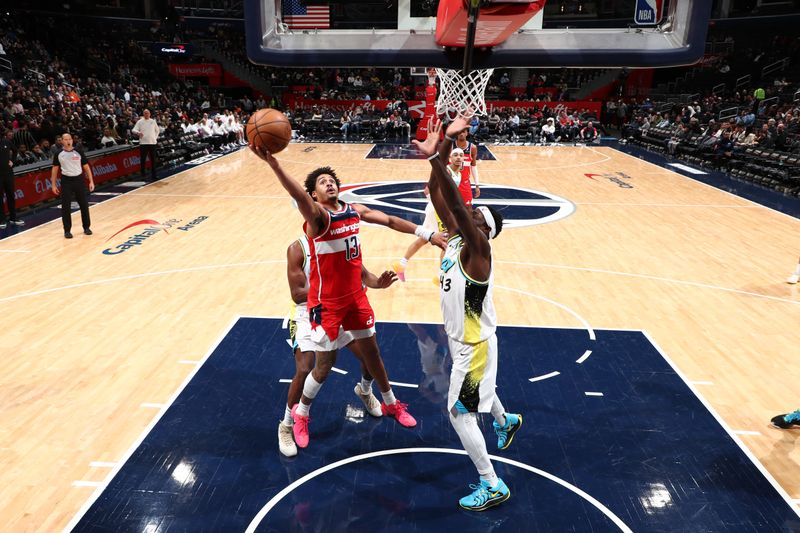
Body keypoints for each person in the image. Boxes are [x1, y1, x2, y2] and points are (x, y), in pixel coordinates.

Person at [250, 145, 448, 449]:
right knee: (322, 366)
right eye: (322, 182)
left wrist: (428, 234)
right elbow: (299, 197)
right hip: (324, 305)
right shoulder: (317, 219)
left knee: (372, 354)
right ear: (314, 196)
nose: (329, 183)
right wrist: (274, 164)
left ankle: (390, 402)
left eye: (332, 180)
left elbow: (391, 220)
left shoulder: (353, 212)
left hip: (355, 298)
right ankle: (298, 416)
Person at [413, 116, 522, 512]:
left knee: (459, 412)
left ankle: (491, 483)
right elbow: (440, 196)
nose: (469, 215)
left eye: (478, 218)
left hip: (473, 347)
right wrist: (440, 147)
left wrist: (441, 158)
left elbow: (456, 202)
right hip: (468, 344)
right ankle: (505, 420)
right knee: (476, 395)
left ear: (486, 232)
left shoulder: (479, 252)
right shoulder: (457, 240)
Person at [280, 233, 399, 457]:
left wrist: (377, 284)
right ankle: (286, 425)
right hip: (308, 313)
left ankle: (364, 391)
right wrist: (333, 292)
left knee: (368, 357)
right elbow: (297, 294)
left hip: (340, 307)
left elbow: (363, 275)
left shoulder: (340, 238)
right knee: (306, 368)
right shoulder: (297, 249)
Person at [393, 149, 465, 282]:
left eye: (461, 155)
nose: (458, 158)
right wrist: (437, 205)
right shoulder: (447, 171)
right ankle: (441, 276)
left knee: (425, 238)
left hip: (440, 210)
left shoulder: (458, 173)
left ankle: (401, 265)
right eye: (455, 155)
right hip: (438, 211)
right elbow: (427, 189)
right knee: (446, 242)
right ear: (450, 157)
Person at [51, 132, 94, 239]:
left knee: (84, 204)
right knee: (66, 207)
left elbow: (86, 167)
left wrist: (91, 181)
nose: (68, 141)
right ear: (62, 141)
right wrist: (53, 185)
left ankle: (86, 227)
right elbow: (55, 170)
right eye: (66, 139)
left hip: (79, 179)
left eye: (70, 139)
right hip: (66, 181)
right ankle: (67, 230)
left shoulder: (78, 151)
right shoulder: (58, 154)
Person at [0, 128, 23, 229]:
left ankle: (13, 218)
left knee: (11, 196)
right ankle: (1, 219)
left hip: (8, 173)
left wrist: (12, 161)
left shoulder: (6, 141)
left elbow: (15, 151)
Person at [132, 109, 160, 181]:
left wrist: (155, 138)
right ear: (143, 114)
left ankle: (154, 175)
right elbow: (133, 130)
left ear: (150, 114)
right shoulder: (140, 121)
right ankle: (143, 175)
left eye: (147, 113)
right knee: (143, 160)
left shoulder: (153, 121)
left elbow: (157, 130)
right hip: (143, 143)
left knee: (153, 160)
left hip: (152, 143)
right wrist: (138, 133)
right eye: (145, 113)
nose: (146, 114)